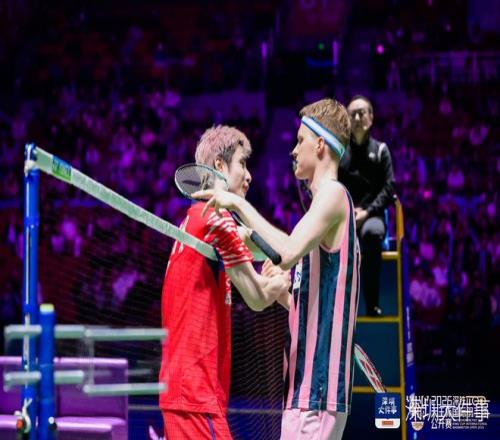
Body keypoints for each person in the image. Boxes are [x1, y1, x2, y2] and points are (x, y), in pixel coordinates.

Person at [194, 98, 360, 440]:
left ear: (320, 145)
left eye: (300, 141)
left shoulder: (333, 194)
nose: (293, 151)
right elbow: (304, 288)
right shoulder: (322, 210)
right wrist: (284, 289)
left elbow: (285, 251)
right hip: (305, 390)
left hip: (316, 389)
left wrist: (235, 203)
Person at [159, 125, 290, 439]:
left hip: (183, 393)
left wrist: (284, 257)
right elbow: (257, 297)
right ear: (219, 165)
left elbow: (259, 244)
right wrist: (280, 283)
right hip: (196, 395)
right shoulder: (217, 218)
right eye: (242, 163)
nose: (249, 176)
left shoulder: (194, 219)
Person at [338, 95, 395, 317]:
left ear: (371, 117)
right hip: (344, 216)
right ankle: (341, 307)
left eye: (362, 113)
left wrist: (367, 212)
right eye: (352, 114)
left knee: (372, 233)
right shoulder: (340, 153)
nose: (357, 118)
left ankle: (372, 304)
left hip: (372, 216)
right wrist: (347, 211)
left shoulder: (381, 150)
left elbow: (389, 188)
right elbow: (332, 185)